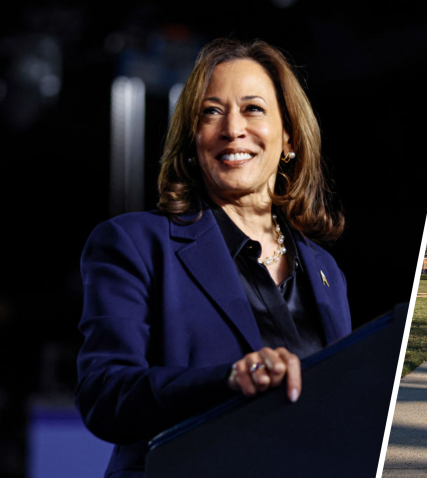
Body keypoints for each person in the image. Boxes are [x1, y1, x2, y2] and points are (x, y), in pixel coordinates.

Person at [76, 38, 351, 478]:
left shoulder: (326, 272)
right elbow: (105, 396)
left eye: (253, 108)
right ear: (192, 141)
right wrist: (227, 380)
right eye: (211, 111)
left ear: (290, 138)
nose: (232, 129)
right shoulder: (133, 244)